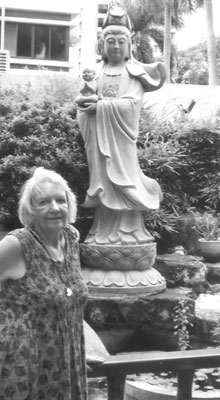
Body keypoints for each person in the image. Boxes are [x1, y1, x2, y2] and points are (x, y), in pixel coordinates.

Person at [0, 167, 89, 400]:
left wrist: (77, 348)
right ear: (30, 210)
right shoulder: (19, 244)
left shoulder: (70, 238)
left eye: (61, 200)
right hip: (20, 364)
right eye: (44, 202)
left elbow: (68, 298)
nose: (55, 208)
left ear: (70, 204)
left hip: (62, 364)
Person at [76, 4, 166, 245]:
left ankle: (132, 233)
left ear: (129, 46)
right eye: (111, 41)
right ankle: (101, 232)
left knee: (124, 182)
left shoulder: (133, 73)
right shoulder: (94, 72)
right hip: (99, 142)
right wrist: (85, 107)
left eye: (121, 41)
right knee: (104, 185)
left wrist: (101, 106)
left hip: (121, 144)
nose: (116, 46)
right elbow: (83, 106)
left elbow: (130, 106)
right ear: (101, 45)